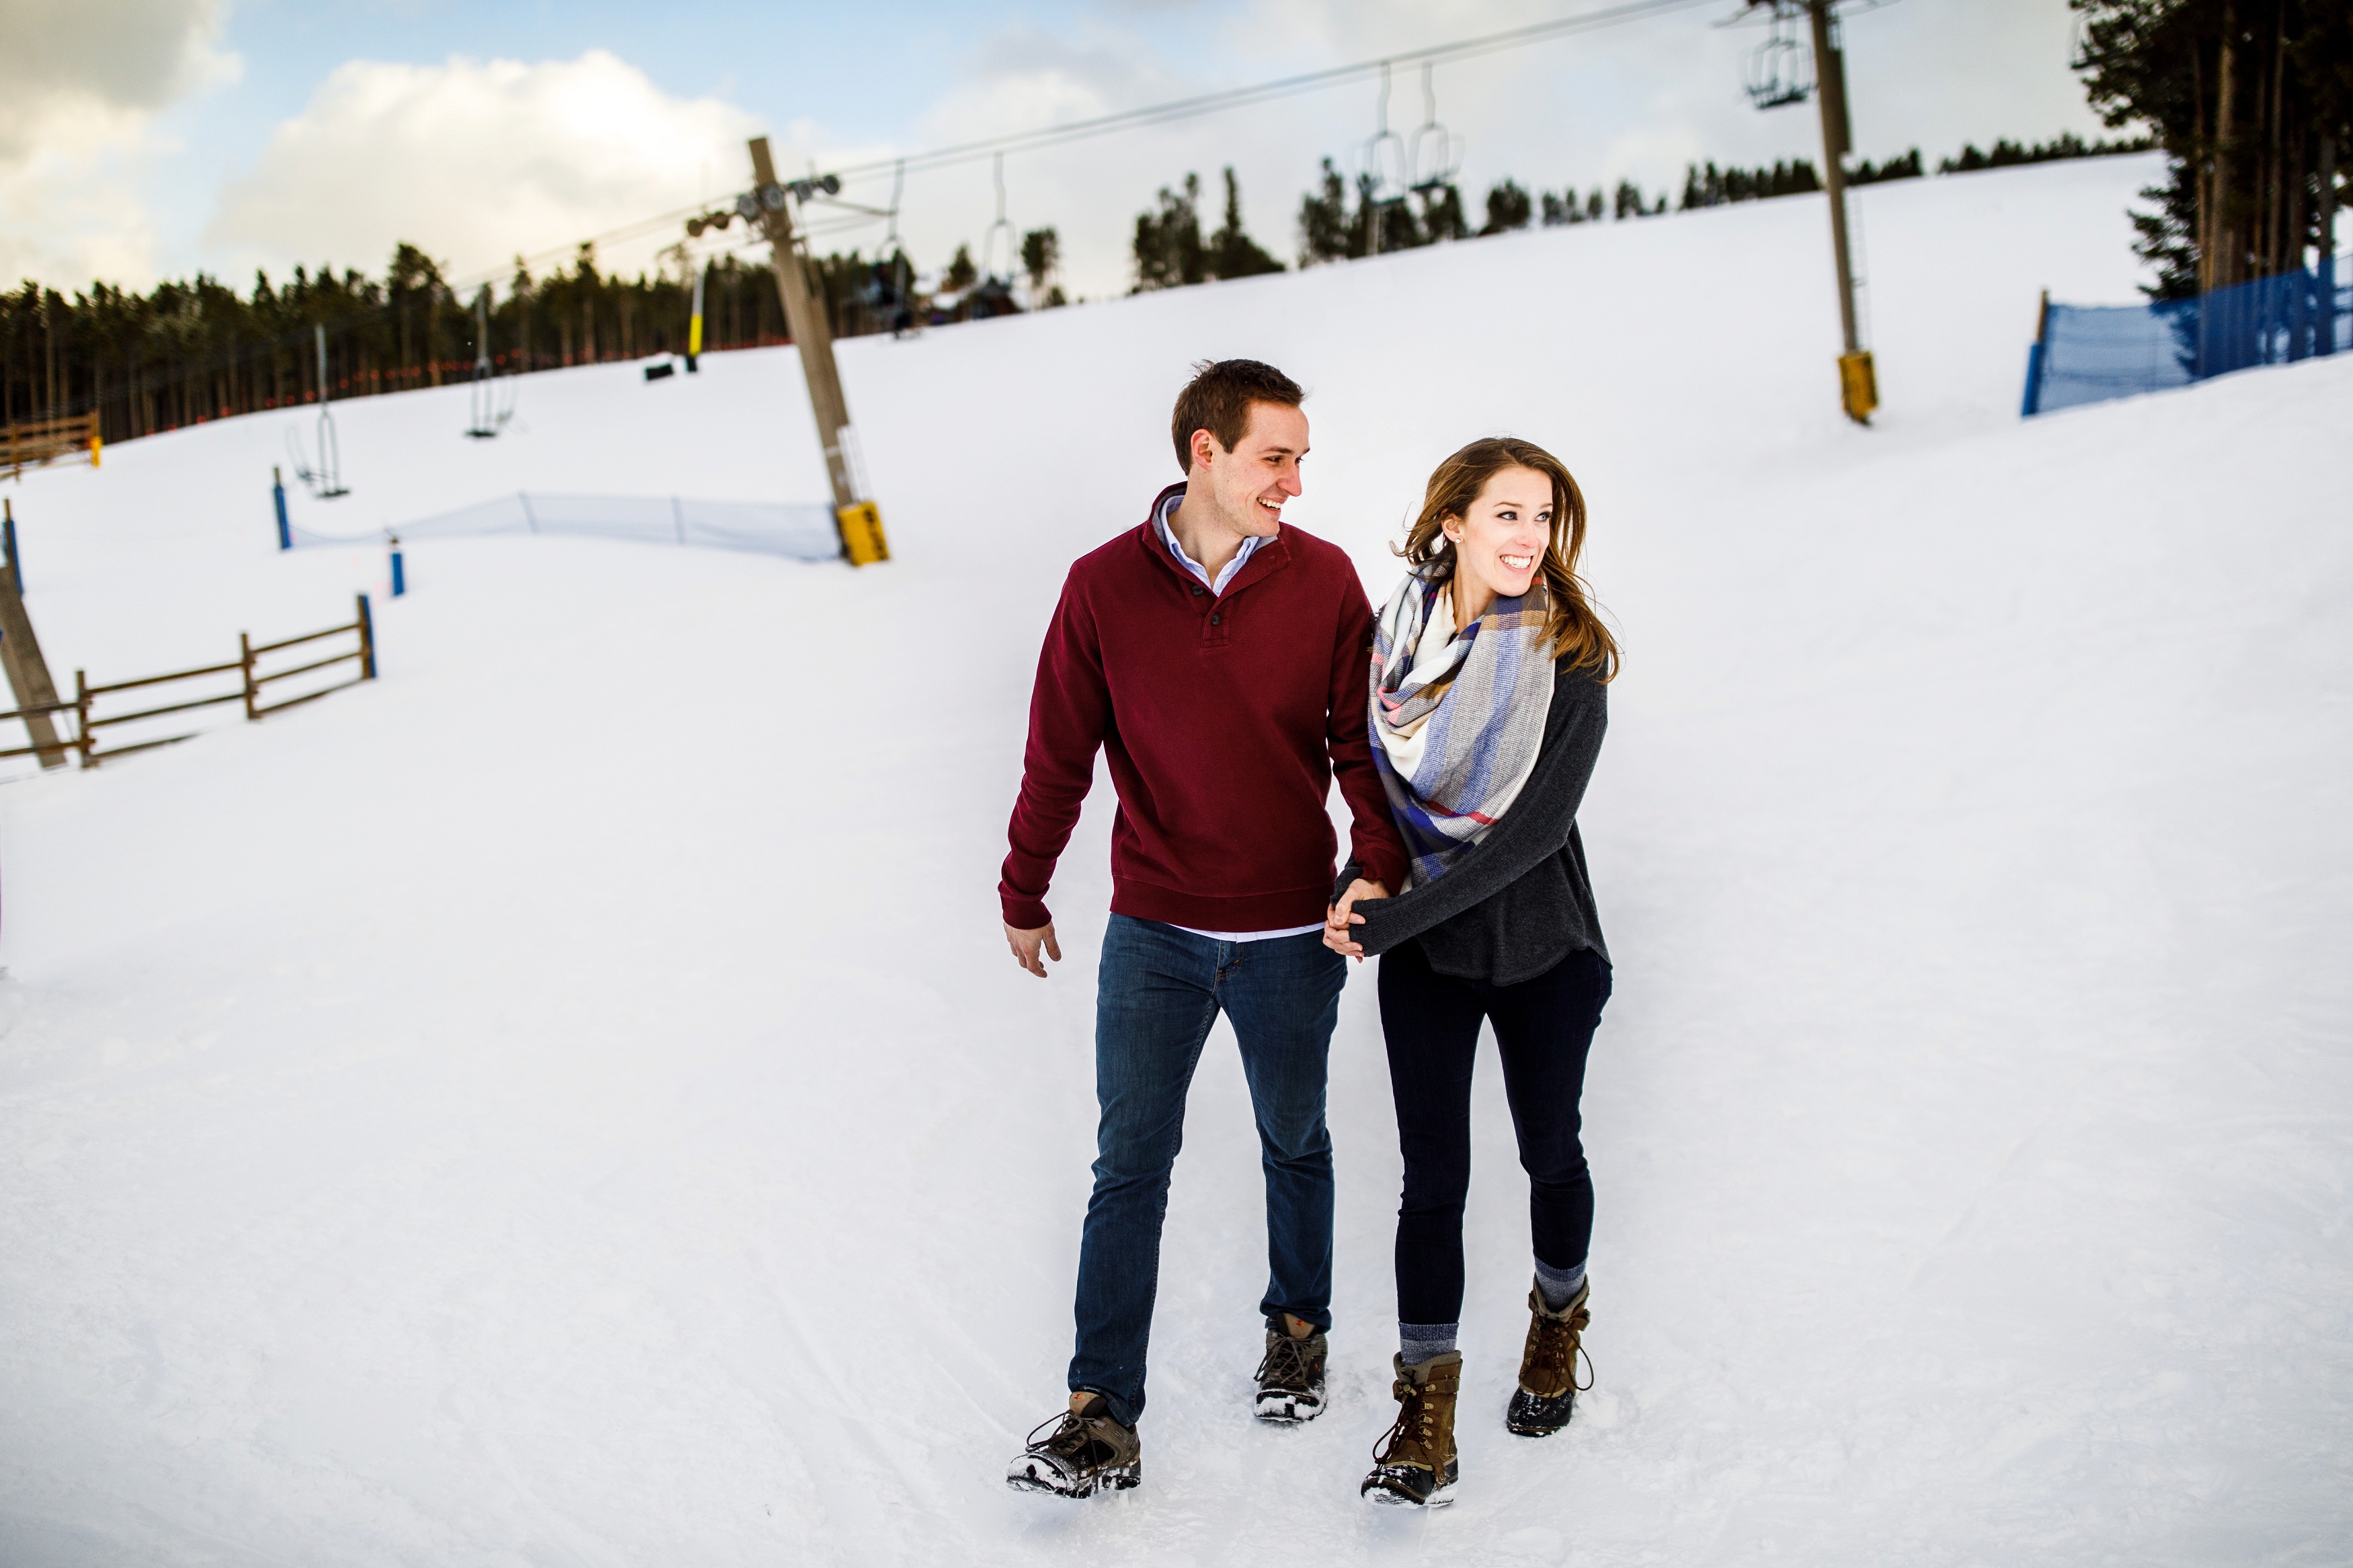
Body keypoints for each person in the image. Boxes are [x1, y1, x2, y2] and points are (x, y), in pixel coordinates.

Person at [1000, 360, 1408, 1499]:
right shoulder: (1100, 588)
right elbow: (1058, 754)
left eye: (1302, 458)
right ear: (1205, 454)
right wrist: (1025, 888)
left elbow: (1357, 748)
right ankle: (1099, 1413)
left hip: (1292, 930)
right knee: (1128, 1165)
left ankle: (1297, 1328)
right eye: (1277, 456)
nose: (1294, 480)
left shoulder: (1325, 581)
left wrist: (1372, 866)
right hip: (1156, 933)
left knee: (1296, 1140)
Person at [1323, 436, 1620, 1509]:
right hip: (1435, 957)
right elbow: (1378, 792)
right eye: (1507, 515)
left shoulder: (1570, 656)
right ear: (1452, 521)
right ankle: (1426, 1414)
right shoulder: (1394, 646)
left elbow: (1529, 834)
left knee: (1550, 1147)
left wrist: (1392, 922)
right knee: (1431, 1181)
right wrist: (1371, 885)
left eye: (1543, 518)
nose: (1530, 539)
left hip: (1544, 949)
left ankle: (1556, 1321)